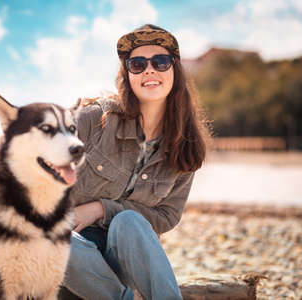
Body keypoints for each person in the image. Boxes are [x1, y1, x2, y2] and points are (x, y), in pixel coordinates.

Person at [59, 24, 208, 300]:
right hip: (71, 265)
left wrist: (101, 209)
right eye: (137, 64)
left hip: (126, 264)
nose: (150, 70)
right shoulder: (93, 121)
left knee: (129, 221)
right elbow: (39, 181)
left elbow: (167, 216)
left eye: (160, 62)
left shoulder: (185, 144)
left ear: (175, 70)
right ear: (127, 75)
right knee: (51, 235)